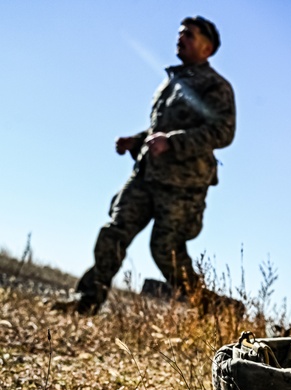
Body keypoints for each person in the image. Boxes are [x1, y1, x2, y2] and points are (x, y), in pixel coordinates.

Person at [57, 16, 236, 315]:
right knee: (114, 232)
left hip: (183, 185)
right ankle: (86, 302)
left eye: (189, 35)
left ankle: (214, 312)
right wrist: (138, 140)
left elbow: (223, 132)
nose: (180, 39)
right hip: (145, 174)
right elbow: (160, 130)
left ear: (207, 48)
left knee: (166, 251)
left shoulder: (216, 86)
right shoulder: (172, 82)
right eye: (180, 34)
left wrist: (173, 142)